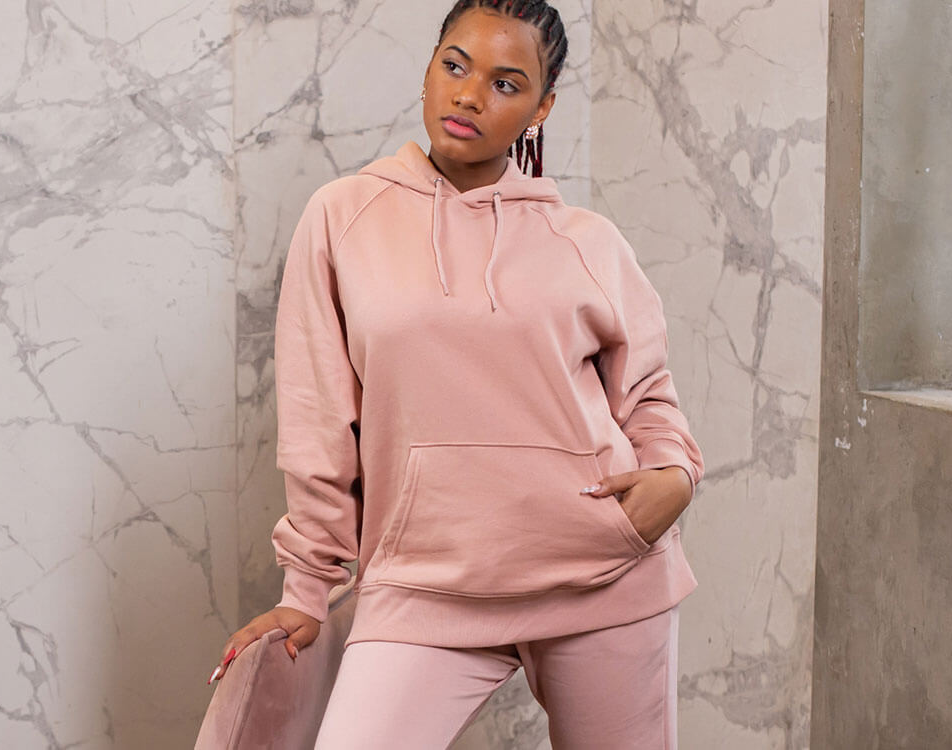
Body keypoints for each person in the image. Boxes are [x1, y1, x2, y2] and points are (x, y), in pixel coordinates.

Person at [214, 1, 704, 746]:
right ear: (429, 70)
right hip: (423, 583)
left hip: (603, 576)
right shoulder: (344, 217)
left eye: (506, 84)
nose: (470, 95)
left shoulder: (588, 241)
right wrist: (307, 589)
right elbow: (319, 419)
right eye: (455, 66)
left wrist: (673, 474)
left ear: (541, 108)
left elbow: (646, 397)